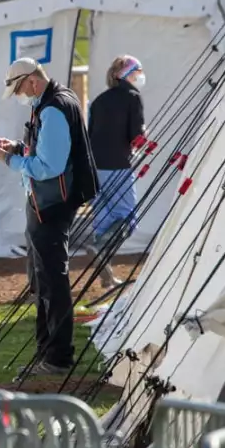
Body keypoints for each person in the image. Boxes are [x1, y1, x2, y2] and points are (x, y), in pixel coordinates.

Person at [0, 58, 98, 376]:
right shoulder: (54, 101)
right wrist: (19, 148)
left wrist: (9, 160)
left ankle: (58, 358)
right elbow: (44, 152)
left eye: (19, 88)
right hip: (45, 202)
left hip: (51, 204)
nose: (20, 95)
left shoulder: (52, 108)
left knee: (51, 280)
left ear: (33, 81)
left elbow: (50, 166)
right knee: (42, 279)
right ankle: (47, 353)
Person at [86, 55, 147, 288]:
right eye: (138, 71)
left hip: (95, 167)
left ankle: (107, 276)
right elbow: (137, 136)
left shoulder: (99, 101)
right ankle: (101, 249)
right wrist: (144, 138)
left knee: (103, 222)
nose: (141, 76)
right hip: (118, 166)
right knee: (127, 219)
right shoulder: (132, 96)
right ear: (128, 74)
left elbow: (90, 133)